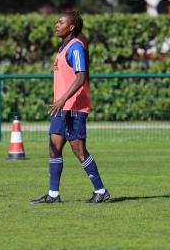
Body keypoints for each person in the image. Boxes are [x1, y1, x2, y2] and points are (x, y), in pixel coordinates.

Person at [31, 11, 109, 204]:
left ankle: (101, 190)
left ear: (71, 27)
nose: (56, 25)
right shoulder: (63, 47)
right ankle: (53, 195)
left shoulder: (75, 48)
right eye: (57, 21)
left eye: (61, 22)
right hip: (61, 108)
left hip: (74, 107)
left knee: (79, 151)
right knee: (53, 149)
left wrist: (63, 99)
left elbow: (80, 77)